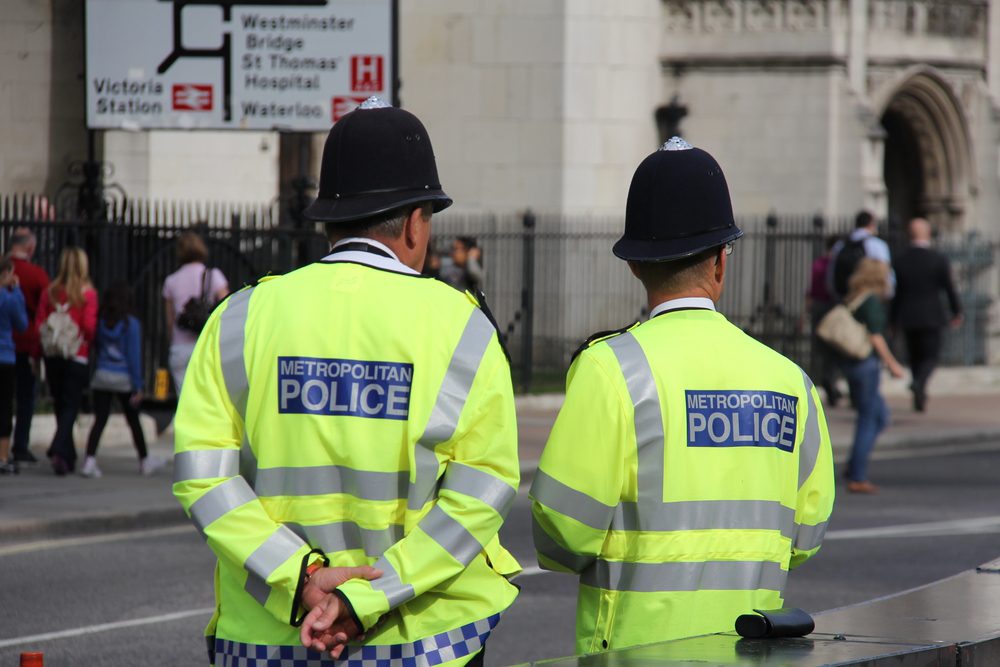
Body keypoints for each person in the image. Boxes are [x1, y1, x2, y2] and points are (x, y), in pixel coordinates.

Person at [173, 97, 520, 667]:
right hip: (421, 643)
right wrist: (368, 597)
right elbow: (481, 493)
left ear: (329, 219)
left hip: (268, 641)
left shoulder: (240, 317)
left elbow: (203, 478)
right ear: (416, 222)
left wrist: (302, 578)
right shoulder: (461, 327)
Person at [529, 137, 835, 653]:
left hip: (633, 654)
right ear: (720, 261)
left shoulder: (611, 369)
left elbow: (564, 531)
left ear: (634, 263)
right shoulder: (789, 381)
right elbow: (805, 537)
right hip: (749, 651)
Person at [81, 282, 162, 478]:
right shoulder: (130, 324)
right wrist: (138, 385)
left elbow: (96, 347)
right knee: (133, 420)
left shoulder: (101, 322)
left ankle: (89, 460)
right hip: (124, 378)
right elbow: (134, 357)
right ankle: (144, 460)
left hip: (102, 375)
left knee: (100, 420)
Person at [839, 258, 906, 494]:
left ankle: (854, 465)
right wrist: (893, 364)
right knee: (869, 418)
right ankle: (857, 475)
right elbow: (875, 336)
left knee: (880, 416)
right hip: (866, 364)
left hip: (853, 364)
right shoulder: (871, 301)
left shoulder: (854, 297)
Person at [36, 247, 98, 476]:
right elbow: (89, 326)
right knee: (71, 406)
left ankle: (66, 457)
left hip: (53, 355)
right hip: (76, 354)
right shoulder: (87, 294)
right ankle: (58, 446)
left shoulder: (50, 292)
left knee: (60, 405)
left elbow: (40, 323)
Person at [891, 218, 963, 412]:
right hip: (931, 315)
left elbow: (897, 294)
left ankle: (918, 391)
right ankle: (920, 383)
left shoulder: (900, 259)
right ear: (928, 234)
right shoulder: (937, 258)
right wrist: (956, 311)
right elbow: (949, 288)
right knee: (930, 356)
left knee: (914, 356)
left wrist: (893, 319)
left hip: (908, 315)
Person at [161, 231, 228, 393]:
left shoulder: (171, 281)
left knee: (184, 397)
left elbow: (170, 321)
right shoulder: (214, 276)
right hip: (205, 345)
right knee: (207, 395)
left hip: (179, 347)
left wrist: (172, 341)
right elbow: (227, 306)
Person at [8, 229, 50, 464]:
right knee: (25, 398)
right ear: (30, 248)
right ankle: (20, 445)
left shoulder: (9, 271)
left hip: (7, 344)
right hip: (26, 344)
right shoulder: (36, 275)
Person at [827, 210, 895, 299]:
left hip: (844, 297)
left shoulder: (840, 244)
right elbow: (886, 274)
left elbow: (830, 274)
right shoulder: (877, 244)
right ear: (871, 224)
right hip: (868, 297)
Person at [806, 235, 842, 406]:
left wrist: (806, 312)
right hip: (832, 308)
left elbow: (811, 291)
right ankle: (831, 380)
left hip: (818, 308)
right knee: (835, 348)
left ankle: (828, 378)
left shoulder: (819, 263)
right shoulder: (834, 265)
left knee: (821, 349)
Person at [0, 258, 28, 474]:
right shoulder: (8, 298)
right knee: (4, 407)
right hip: (5, 356)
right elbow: (22, 324)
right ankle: (2, 456)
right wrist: (17, 291)